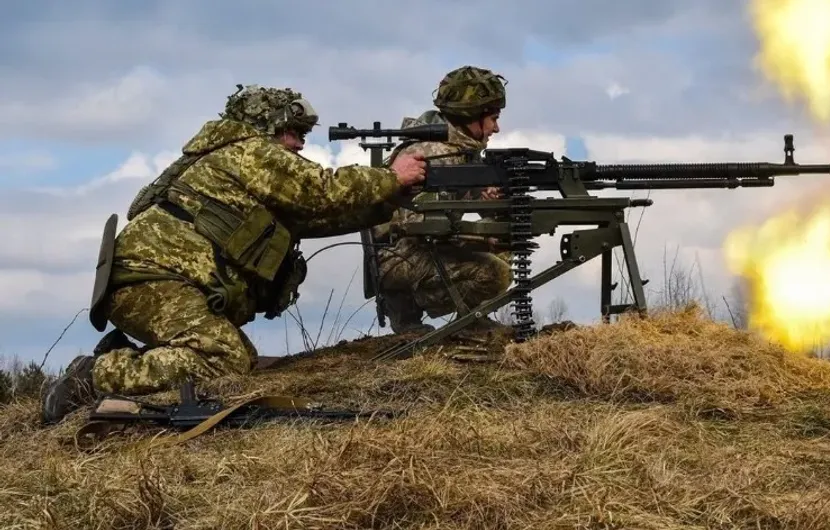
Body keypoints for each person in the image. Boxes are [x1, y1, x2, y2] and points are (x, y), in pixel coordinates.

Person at [41, 84, 426, 424]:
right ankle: (94, 376)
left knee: (239, 355)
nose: (299, 143)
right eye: (292, 132)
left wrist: (389, 199)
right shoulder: (250, 153)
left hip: (157, 281)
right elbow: (322, 190)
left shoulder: (241, 161)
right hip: (152, 279)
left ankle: (124, 357)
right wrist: (392, 176)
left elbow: (319, 216)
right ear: (267, 127)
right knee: (222, 359)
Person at [370, 65, 512, 334]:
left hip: (408, 253)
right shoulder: (434, 155)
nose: (497, 128)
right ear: (472, 116)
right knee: (497, 272)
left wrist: (489, 202)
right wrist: (483, 239)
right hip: (402, 258)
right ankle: (454, 319)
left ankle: (428, 317)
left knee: (505, 237)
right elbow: (418, 228)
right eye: (493, 118)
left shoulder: (458, 150)